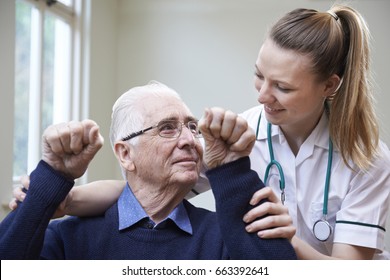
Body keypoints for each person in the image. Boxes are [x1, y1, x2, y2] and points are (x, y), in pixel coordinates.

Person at [10, 4, 390, 259]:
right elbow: (143, 187)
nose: (262, 95)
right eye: (259, 75)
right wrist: (61, 197)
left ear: (329, 86)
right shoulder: (241, 135)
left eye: (283, 88)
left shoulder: (367, 160)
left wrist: (285, 237)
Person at [0, 81, 297, 260]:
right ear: (126, 154)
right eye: (167, 128)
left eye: (192, 128)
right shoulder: (69, 238)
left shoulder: (223, 236)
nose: (189, 141)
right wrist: (53, 176)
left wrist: (232, 169)